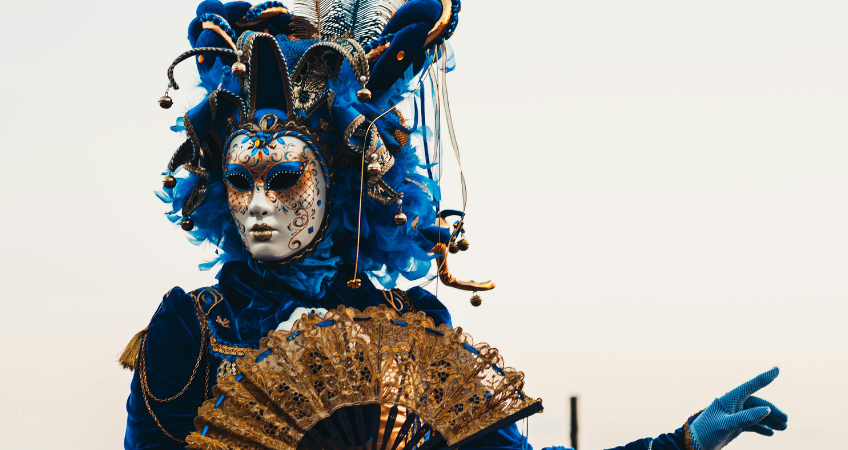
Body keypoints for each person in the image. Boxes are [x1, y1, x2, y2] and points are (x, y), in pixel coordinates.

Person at [121, 2, 788, 450]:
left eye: (285, 177)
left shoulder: (413, 330)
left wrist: (681, 442)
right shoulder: (193, 330)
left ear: (345, 184)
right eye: (241, 181)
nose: (260, 205)